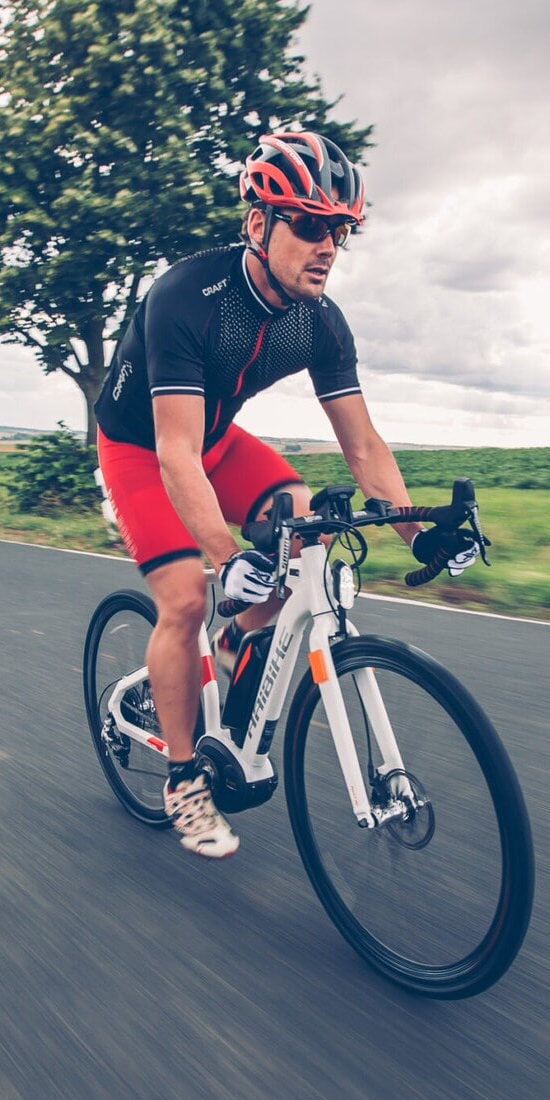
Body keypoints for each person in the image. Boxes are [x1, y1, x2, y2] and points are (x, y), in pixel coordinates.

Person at [94, 130, 479, 859]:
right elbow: (175, 452)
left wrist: (417, 535)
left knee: (306, 530)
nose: (327, 245)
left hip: (214, 443)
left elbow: (362, 446)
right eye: (308, 225)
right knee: (184, 597)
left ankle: (238, 639)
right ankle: (183, 780)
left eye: (339, 231)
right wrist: (222, 555)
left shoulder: (320, 323)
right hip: (144, 449)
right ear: (257, 225)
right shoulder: (187, 297)